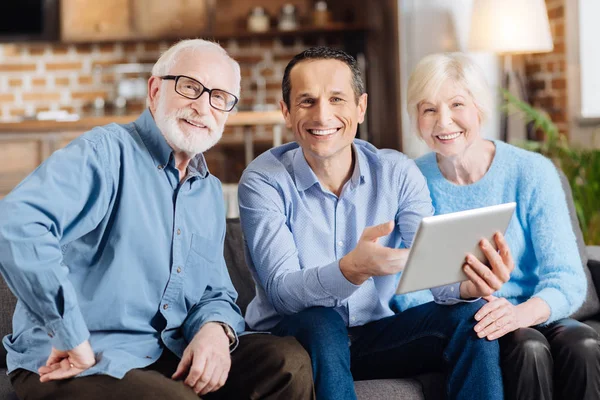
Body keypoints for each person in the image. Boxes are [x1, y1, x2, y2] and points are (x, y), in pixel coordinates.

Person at [0, 39, 314, 400]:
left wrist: (215, 328)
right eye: (190, 87)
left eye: (219, 97)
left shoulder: (207, 191)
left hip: (166, 356)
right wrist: (70, 334)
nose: (202, 106)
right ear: (155, 90)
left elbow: (214, 292)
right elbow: (17, 224)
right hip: (75, 361)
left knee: (287, 362)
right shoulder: (105, 153)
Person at [237, 46, 511, 400]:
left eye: (337, 99)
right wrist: (350, 270)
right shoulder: (263, 180)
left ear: (360, 108)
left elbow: (436, 275)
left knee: (474, 317)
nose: (323, 115)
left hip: (375, 335)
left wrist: (467, 287)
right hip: (296, 339)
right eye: (307, 101)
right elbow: (283, 293)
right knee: (321, 320)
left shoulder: (397, 172)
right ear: (287, 113)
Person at [404, 52, 600, 400]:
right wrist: (474, 307)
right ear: (416, 117)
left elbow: (568, 278)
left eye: (457, 104)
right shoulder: (409, 180)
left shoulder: (532, 171)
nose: (443, 122)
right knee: (527, 348)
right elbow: (407, 290)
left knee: (583, 343)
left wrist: (518, 314)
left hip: (537, 307)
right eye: (428, 109)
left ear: (480, 108)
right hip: (464, 320)